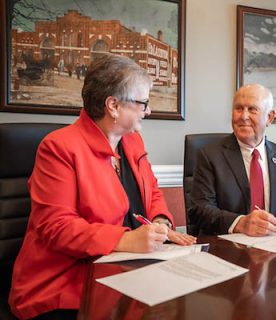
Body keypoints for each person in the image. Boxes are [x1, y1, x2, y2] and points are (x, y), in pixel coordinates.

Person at [9, 54, 196, 320]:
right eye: (143, 103)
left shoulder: (132, 141)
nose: (149, 111)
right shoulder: (59, 147)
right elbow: (56, 226)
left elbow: (152, 191)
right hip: (66, 281)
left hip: (127, 271)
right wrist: (125, 238)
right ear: (113, 105)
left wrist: (161, 220)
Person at [189, 83, 276, 236]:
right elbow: (199, 209)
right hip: (228, 248)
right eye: (238, 109)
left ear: (270, 117)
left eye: (252, 109)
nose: (243, 116)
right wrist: (240, 223)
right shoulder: (210, 155)